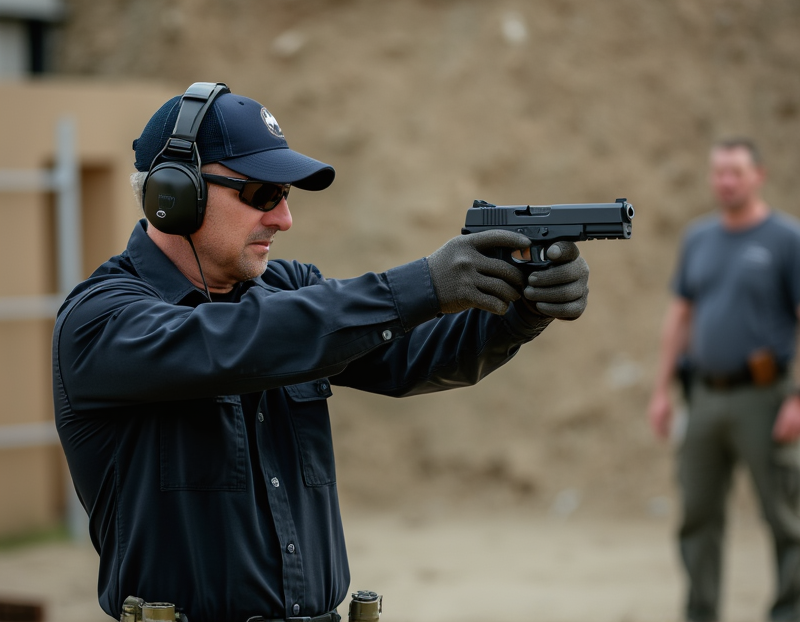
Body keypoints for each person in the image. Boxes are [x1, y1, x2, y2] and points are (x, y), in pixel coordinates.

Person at [52, 83, 590, 622]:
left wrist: (520, 310)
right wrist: (421, 285)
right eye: (262, 194)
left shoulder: (287, 292)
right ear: (174, 194)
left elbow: (412, 357)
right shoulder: (100, 320)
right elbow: (240, 341)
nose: (283, 218)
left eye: (285, 195)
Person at [648, 138, 800, 622]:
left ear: (759, 175)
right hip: (704, 398)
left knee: (786, 519)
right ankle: (701, 614)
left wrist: (798, 398)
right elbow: (680, 315)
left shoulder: (787, 239)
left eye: (736, 171)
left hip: (766, 397)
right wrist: (661, 391)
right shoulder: (698, 238)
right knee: (698, 517)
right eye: (718, 172)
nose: (726, 181)